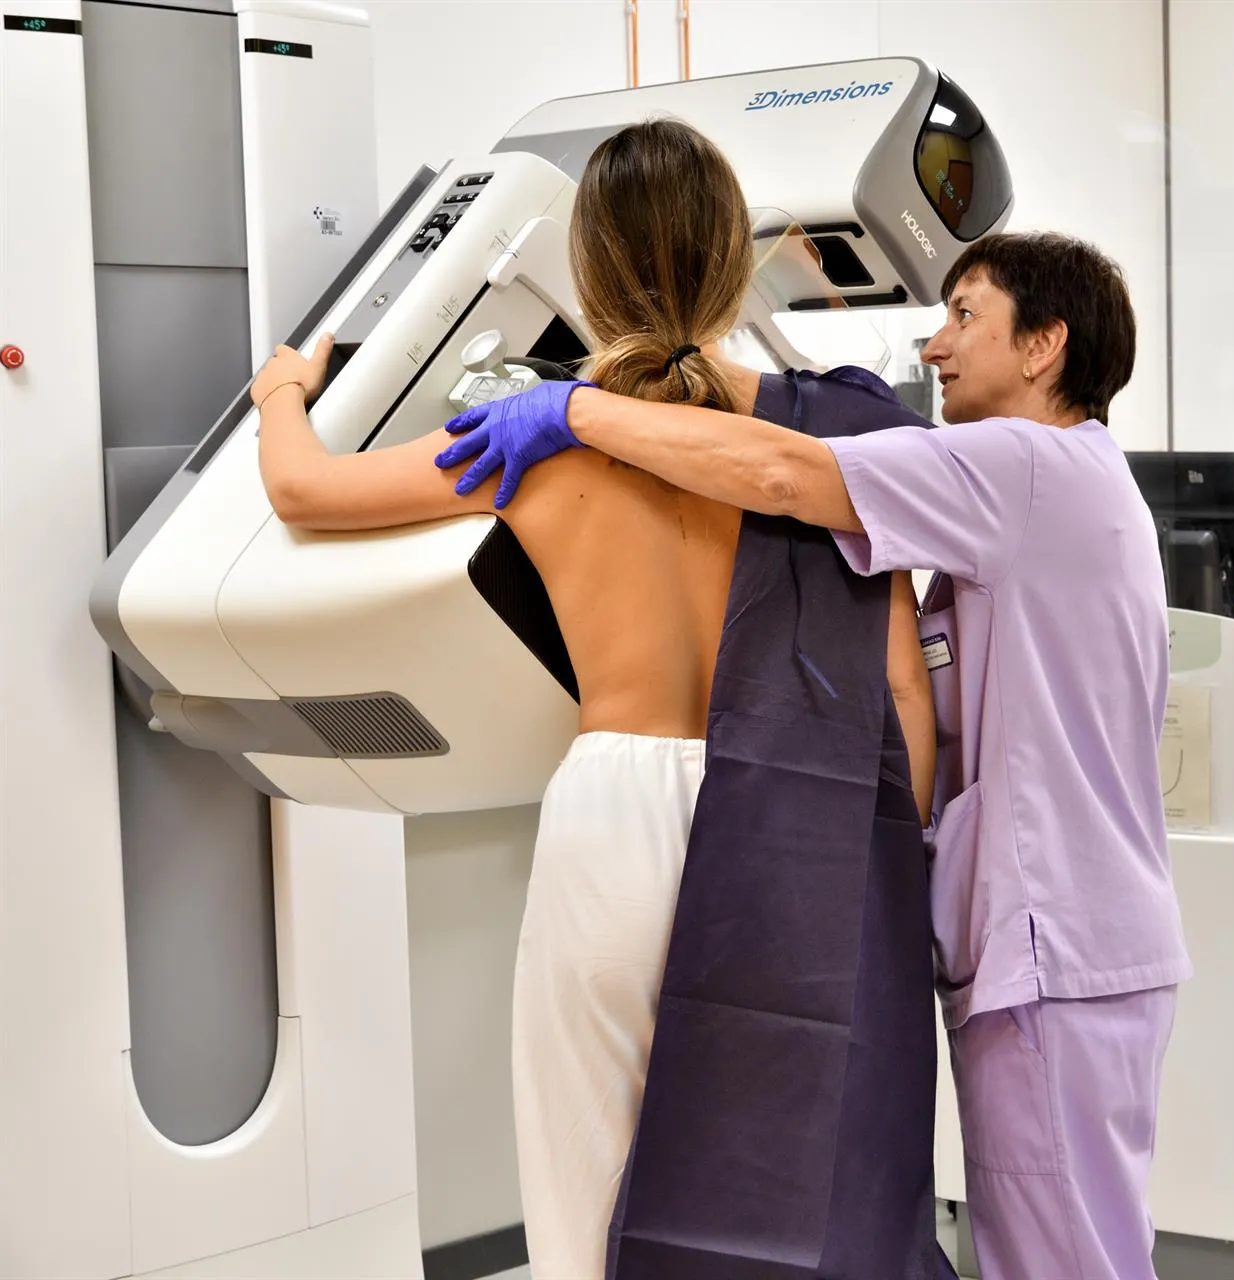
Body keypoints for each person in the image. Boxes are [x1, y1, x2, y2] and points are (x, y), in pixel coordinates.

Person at [248, 119, 936, 1279]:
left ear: (588, 272)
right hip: (793, 821)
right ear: (735, 262)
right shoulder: (830, 442)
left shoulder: (532, 442)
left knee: (587, 1188)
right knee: (791, 1190)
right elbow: (905, 688)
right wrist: (884, 863)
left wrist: (282, 390)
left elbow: (302, 489)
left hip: (611, 822)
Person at [438, 230, 1191, 1279]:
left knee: (1065, 1261)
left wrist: (575, 410)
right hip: (1056, 945)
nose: (934, 345)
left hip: (1055, 946)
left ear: (1043, 346)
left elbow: (785, 472)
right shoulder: (1055, 488)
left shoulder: (1026, 467)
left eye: (964, 315)